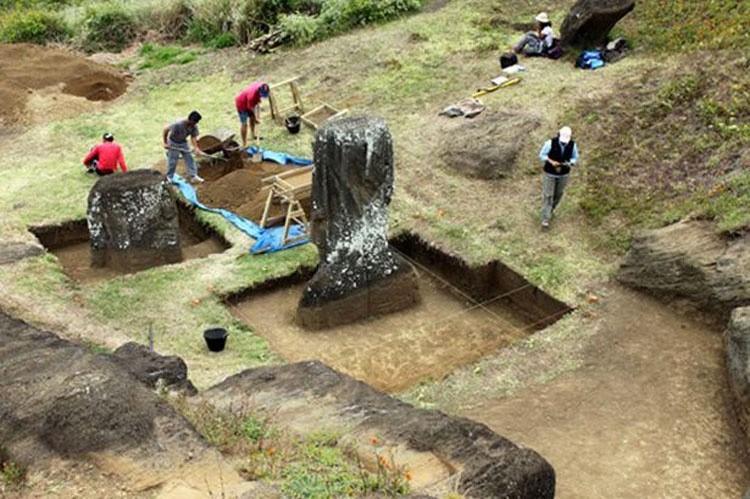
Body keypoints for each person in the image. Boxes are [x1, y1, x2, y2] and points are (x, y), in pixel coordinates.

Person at [539, 126, 579, 230]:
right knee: (548, 195)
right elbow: (542, 155)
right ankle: (545, 220)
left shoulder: (572, 145)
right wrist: (552, 162)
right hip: (549, 174)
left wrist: (570, 163)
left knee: (558, 194)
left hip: (563, 174)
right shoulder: (550, 143)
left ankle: (550, 210)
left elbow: (575, 157)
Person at [163, 110, 205, 183]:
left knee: (190, 158)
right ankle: (169, 178)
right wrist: (165, 143)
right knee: (172, 161)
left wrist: (196, 148)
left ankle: (193, 176)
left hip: (183, 143)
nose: (195, 124)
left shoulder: (193, 126)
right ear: (190, 120)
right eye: (195, 122)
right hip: (173, 142)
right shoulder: (177, 124)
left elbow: (193, 137)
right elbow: (165, 130)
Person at [235, 82, 270, 148]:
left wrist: (254, 117)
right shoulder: (252, 96)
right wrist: (255, 117)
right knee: (244, 124)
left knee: (252, 118)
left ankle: (253, 135)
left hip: (248, 101)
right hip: (241, 104)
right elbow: (250, 108)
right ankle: (244, 143)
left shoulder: (263, 85)